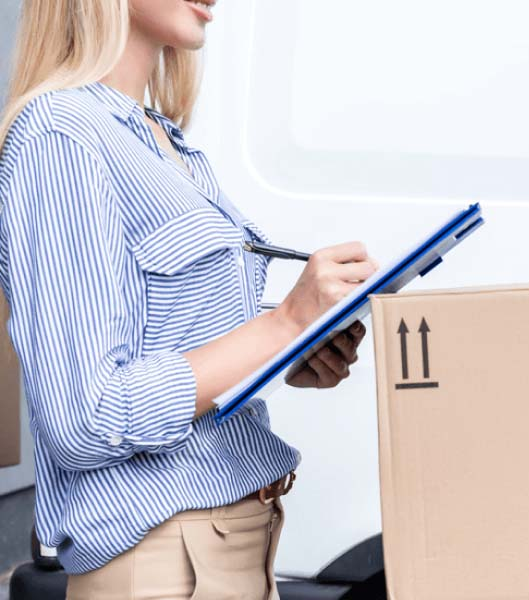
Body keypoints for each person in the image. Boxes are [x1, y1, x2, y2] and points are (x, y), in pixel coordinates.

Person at [0, 0, 377, 598]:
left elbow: (170, 342)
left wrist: (287, 352)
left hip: (235, 547)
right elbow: (84, 416)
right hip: (164, 562)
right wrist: (282, 324)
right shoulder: (61, 136)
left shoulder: (164, 145)